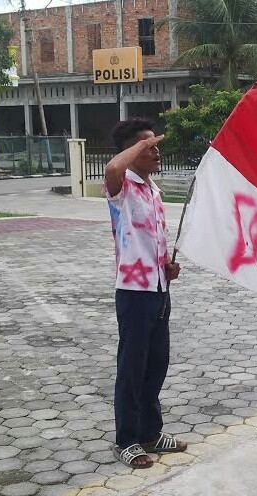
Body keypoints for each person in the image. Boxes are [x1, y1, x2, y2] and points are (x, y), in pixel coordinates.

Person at [104, 118, 186, 468]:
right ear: (130, 151)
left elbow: (152, 241)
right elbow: (111, 166)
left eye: (155, 144)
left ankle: (151, 432)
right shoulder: (121, 188)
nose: (155, 150)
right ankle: (126, 439)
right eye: (146, 145)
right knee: (132, 367)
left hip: (158, 289)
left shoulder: (153, 190)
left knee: (156, 364)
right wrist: (137, 145)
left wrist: (167, 267)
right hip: (134, 293)